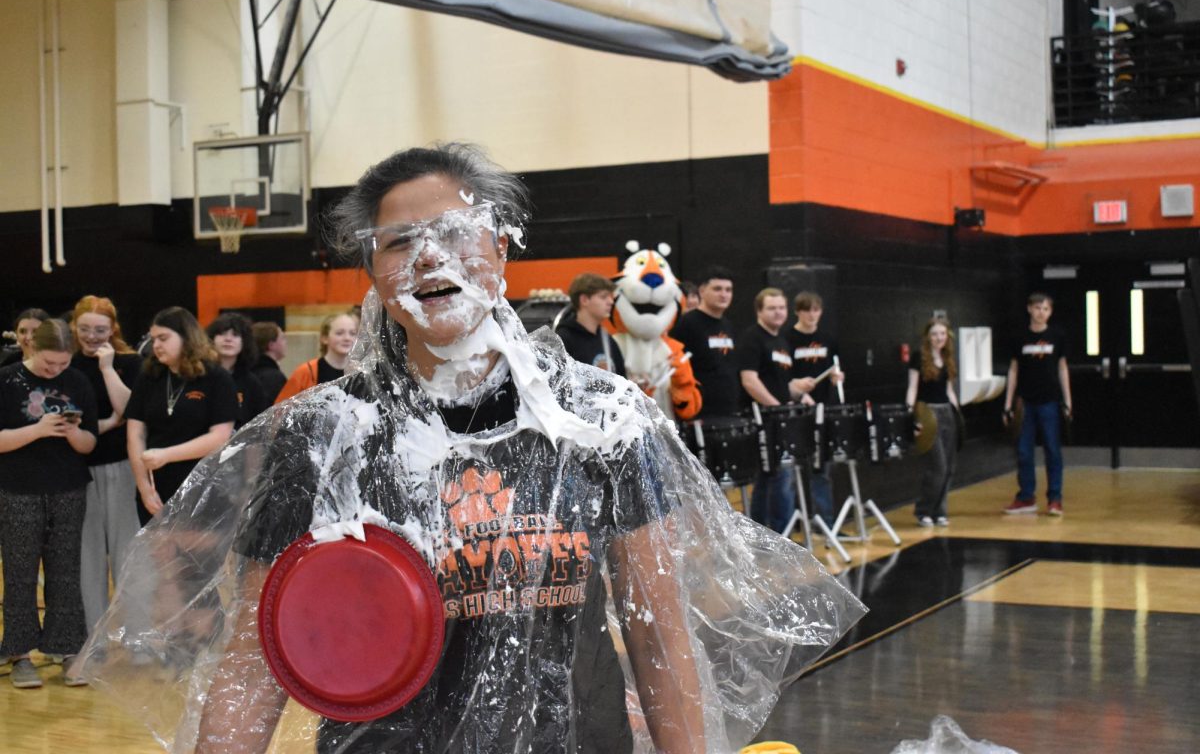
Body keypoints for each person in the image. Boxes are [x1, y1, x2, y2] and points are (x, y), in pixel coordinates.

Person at [75, 143, 864, 753]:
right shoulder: (320, 435)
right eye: (398, 242)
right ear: (374, 274)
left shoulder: (600, 420)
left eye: (455, 232)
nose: (429, 257)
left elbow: (659, 633)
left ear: (502, 250)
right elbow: (252, 660)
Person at [0, 319, 98, 688]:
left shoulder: (78, 381)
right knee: (20, 572)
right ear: (30, 349)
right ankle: (20, 653)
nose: (55, 371)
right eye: (47, 364)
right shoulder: (7, 380)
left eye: (61, 364)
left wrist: (73, 432)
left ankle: (68, 648)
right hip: (17, 488)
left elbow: (90, 444)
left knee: (65, 571)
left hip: (68, 487)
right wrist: (38, 430)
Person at [69, 296, 144, 632]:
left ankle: (135, 637)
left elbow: (131, 410)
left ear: (113, 329)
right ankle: (93, 637)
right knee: (88, 558)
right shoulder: (65, 364)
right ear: (74, 327)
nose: (91, 336)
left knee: (128, 553)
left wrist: (107, 368)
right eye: (84, 329)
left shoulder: (129, 362)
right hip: (77, 471)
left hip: (121, 466)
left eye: (99, 329)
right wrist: (106, 423)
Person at [125, 307, 237, 525]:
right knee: (159, 555)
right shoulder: (149, 376)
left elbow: (219, 437)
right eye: (153, 339)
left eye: (163, 338)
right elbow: (135, 434)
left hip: (203, 486)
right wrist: (144, 488)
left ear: (186, 338)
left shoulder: (216, 378)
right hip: (156, 488)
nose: (156, 345)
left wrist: (167, 455)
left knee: (197, 556)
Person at [738, 288, 809, 533]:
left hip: (780, 419)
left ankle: (773, 534)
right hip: (763, 420)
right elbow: (749, 380)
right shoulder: (752, 338)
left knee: (774, 478)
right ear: (759, 311)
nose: (778, 312)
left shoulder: (781, 342)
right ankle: (776, 534)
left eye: (781, 308)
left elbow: (783, 383)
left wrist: (802, 391)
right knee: (775, 478)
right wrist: (776, 408)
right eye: (772, 308)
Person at [1003, 293, 1072, 516]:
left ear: (1050, 312)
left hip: (1049, 401)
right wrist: (1008, 403)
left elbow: (1062, 368)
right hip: (1025, 401)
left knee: (1052, 450)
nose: (1041, 312)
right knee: (1023, 451)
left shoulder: (1057, 335)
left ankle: (1055, 499)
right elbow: (1014, 370)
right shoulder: (1018, 337)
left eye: (1045, 309)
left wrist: (1068, 400)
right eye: (1037, 308)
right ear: (1029, 309)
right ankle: (1026, 497)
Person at [785, 291, 844, 524]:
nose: (812, 314)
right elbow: (784, 377)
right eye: (807, 310)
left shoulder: (829, 340)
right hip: (797, 410)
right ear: (798, 311)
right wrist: (799, 393)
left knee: (822, 468)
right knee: (794, 470)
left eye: (816, 310)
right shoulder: (787, 339)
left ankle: (824, 522)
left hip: (823, 410)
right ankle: (795, 522)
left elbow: (836, 370)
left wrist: (837, 378)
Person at [906, 318, 960, 527]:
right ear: (928, 336)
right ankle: (923, 510)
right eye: (935, 334)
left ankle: (939, 511)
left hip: (947, 412)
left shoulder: (947, 358)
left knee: (949, 467)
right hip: (927, 413)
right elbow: (912, 388)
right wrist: (911, 416)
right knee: (937, 466)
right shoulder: (919, 358)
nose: (939, 338)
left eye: (943, 334)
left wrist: (957, 415)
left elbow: (949, 391)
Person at [670, 266, 739, 420]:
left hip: (728, 411)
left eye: (728, 290)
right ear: (702, 291)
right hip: (699, 414)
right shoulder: (687, 323)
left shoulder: (727, 324)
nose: (724, 294)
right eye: (717, 289)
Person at [274, 312, 359, 403]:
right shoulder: (306, 372)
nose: (347, 338)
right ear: (324, 338)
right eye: (339, 333)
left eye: (352, 333)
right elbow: (280, 410)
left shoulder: (361, 372)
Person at [206, 312, 270, 428]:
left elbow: (260, 425)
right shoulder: (201, 376)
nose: (228, 339)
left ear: (244, 342)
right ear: (212, 339)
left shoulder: (252, 383)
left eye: (235, 335)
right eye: (222, 334)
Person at [555, 272, 626, 376]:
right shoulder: (563, 340)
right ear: (584, 300)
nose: (611, 302)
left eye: (610, 297)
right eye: (603, 297)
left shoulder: (608, 341)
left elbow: (621, 382)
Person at [250, 321, 288, 402]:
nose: (286, 342)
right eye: (282, 338)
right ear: (271, 345)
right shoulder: (274, 377)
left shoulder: (248, 371)